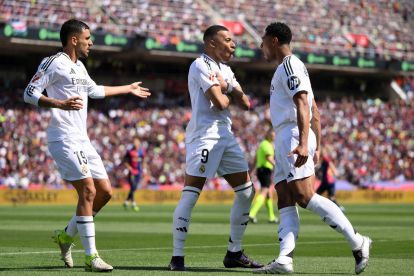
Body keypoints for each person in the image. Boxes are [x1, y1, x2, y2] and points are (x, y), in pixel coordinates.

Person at [23, 19, 150, 272]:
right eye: (87, 38)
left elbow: (95, 91)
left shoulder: (80, 66)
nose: (91, 43)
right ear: (74, 39)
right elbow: (29, 93)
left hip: (83, 139)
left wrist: (128, 88)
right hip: (63, 137)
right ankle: (91, 257)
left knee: (105, 193)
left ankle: (66, 236)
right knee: (88, 191)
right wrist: (60, 104)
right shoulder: (53, 62)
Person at [254, 22, 371, 274]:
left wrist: (305, 143)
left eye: (263, 40)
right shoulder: (290, 68)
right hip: (287, 135)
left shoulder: (289, 65)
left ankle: (358, 241)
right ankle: (285, 259)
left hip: (294, 133)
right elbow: (314, 111)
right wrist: (318, 143)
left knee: (304, 196)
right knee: (285, 197)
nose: (260, 45)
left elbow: (303, 103)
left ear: (274, 40)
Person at [168, 25, 263, 271]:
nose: (233, 45)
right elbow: (220, 103)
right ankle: (177, 257)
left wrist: (228, 86)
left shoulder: (226, 70)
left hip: (225, 136)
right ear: (212, 43)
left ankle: (234, 253)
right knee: (191, 193)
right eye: (228, 40)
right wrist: (227, 90)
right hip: (205, 137)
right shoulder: (200, 65)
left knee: (246, 192)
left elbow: (246, 103)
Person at [249, 129, 278, 224]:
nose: (274, 136)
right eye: (272, 134)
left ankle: (271, 217)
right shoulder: (267, 144)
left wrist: (252, 170)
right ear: (268, 134)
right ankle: (252, 213)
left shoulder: (262, 144)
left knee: (269, 193)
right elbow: (268, 158)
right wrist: (278, 167)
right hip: (265, 170)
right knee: (264, 192)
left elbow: (256, 158)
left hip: (261, 170)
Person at [316, 147, 346, 212]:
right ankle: (338, 207)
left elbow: (330, 164)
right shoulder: (323, 160)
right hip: (328, 181)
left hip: (328, 181)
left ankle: (338, 207)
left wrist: (335, 171)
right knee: (329, 197)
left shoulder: (326, 159)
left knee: (319, 195)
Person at [123, 136, 146, 211]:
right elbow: (125, 161)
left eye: (136, 141)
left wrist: (144, 168)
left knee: (134, 187)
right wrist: (129, 167)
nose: (135, 143)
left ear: (139, 142)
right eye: (134, 141)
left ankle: (126, 201)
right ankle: (133, 203)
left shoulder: (141, 151)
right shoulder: (130, 151)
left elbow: (143, 160)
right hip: (132, 172)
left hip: (138, 172)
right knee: (133, 186)